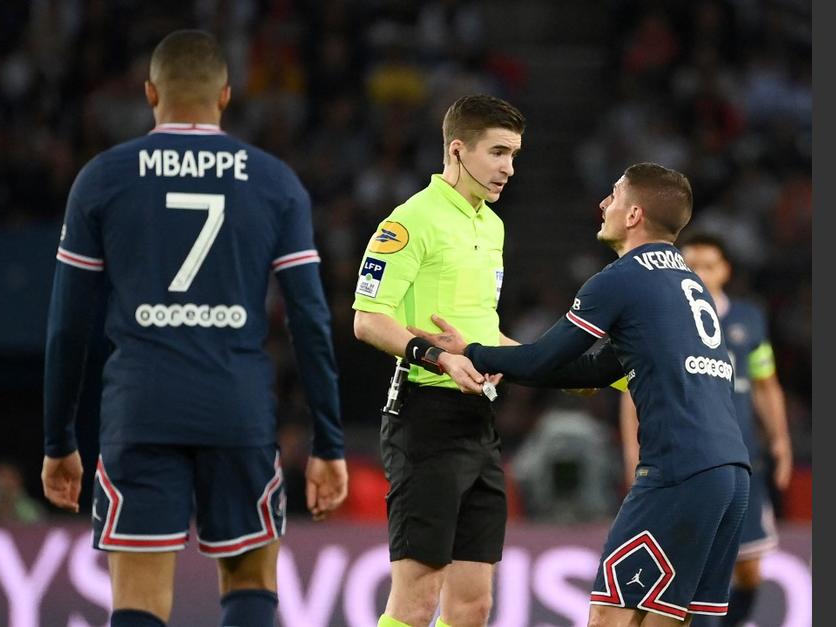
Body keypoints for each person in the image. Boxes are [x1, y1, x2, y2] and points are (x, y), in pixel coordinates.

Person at [41, 30, 348, 627]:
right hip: (236, 407)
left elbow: (66, 327)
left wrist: (59, 441)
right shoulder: (274, 182)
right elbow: (310, 319)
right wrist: (328, 441)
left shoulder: (103, 178)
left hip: (141, 407)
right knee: (250, 580)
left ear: (150, 92)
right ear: (226, 96)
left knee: (139, 597)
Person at [413, 163, 752, 625]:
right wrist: (500, 362)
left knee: (607, 616)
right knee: (661, 620)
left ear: (634, 214)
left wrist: (471, 351)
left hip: (678, 469)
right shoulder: (689, 283)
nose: (603, 204)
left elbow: (543, 358)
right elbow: (593, 368)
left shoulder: (621, 278)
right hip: (730, 474)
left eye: (612, 196)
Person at [352, 93, 525, 627]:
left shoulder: (489, 225)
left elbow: (484, 331)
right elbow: (367, 318)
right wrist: (438, 360)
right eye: (498, 152)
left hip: (479, 421)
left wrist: (580, 372)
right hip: (423, 417)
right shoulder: (409, 222)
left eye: (514, 155)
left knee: (474, 604)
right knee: (417, 600)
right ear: (457, 150)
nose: (508, 169)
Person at [620, 232, 792, 626]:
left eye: (708, 265)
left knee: (748, 570)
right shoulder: (663, 316)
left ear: (725, 271)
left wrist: (780, 440)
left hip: (743, 460)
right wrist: (633, 453)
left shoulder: (748, 320)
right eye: (690, 264)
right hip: (683, 462)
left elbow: (765, 384)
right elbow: (632, 391)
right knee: (694, 569)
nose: (699, 273)